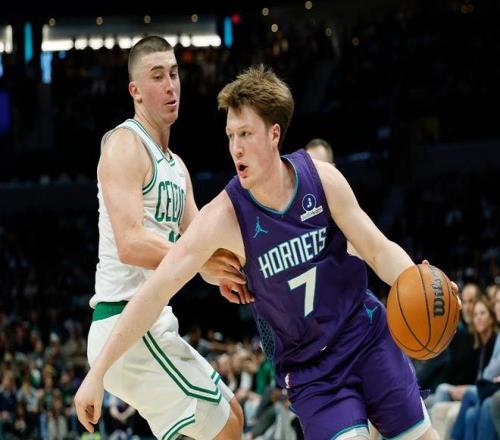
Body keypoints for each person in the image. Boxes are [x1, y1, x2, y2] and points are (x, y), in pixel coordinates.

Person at [75, 65, 457, 439]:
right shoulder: (223, 217)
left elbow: (377, 250)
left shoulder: (322, 179)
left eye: (246, 134)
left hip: (366, 336)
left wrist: (420, 282)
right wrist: (98, 372)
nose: (235, 148)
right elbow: (156, 289)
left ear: (274, 134)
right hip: (313, 372)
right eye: (230, 135)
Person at [85, 36, 247, 440]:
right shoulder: (124, 144)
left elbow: (201, 247)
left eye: (174, 74)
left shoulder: (177, 167)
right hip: (124, 322)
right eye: (157, 77)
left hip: (154, 323)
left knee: (233, 413)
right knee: (225, 427)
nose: (171, 86)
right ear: (135, 91)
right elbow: (131, 243)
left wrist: (230, 272)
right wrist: (201, 260)